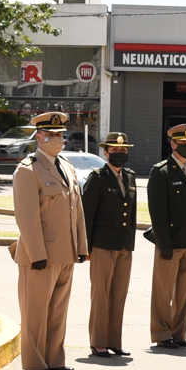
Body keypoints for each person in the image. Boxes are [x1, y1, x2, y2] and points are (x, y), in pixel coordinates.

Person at [11, 111, 88, 370]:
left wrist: (81, 247)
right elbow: (27, 217)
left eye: (61, 134)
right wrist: (36, 253)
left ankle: (54, 357)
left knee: (58, 309)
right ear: (40, 138)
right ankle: (35, 361)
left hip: (65, 251)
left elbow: (76, 211)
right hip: (40, 254)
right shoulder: (27, 170)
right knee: (36, 310)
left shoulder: (66, 167)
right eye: (54, 135)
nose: (60, 139)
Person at [145, 122, 186, 348]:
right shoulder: (161, 171)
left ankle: (179, 334)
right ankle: (162, 334)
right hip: (170, 243)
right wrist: (164, 243)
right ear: (173, 144)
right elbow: (157, 212)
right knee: (163, 293)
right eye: (184, 143)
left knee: (184, 293)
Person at [81, 131, 138, 357]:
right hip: (102, 245)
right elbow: (87, 214)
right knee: (101, 294)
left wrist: (130, 241)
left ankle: (115, 341)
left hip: (124, 245)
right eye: (115, 151)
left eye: (123, 150)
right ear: (105, 152)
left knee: (119, 294)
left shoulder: (130, 177)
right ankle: (98, 341)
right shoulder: (97, 177)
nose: (120, 154)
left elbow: (131, 214)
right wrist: (84, 247)